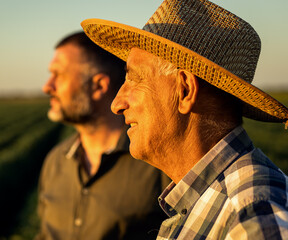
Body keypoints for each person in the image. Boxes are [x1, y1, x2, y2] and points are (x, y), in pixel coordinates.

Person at [81, 0, 288, 239]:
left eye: (135, 79)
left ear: (185, 91)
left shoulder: (253, 215)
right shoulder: (211, 200)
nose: (116, 104)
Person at [36, 31, 170, 240]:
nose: (47, 86)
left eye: (58, 75)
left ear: (99, 86)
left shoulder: (157, 164)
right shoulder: (55, 161)